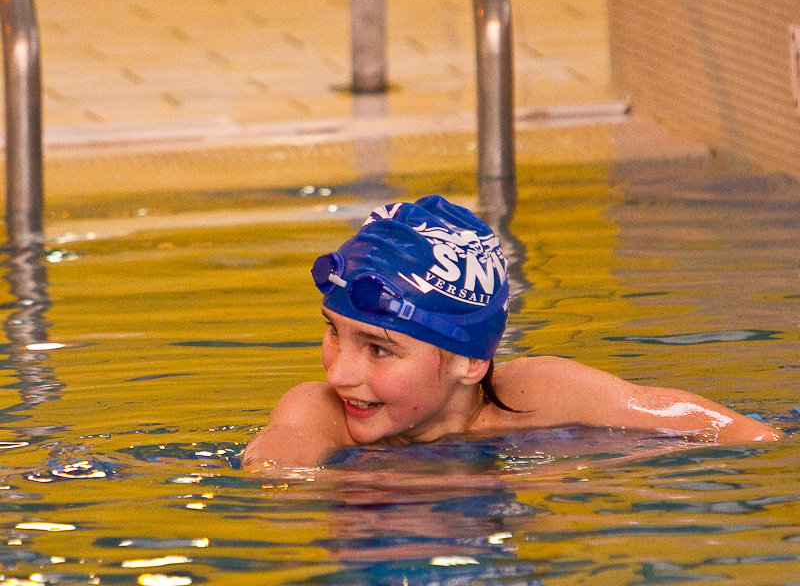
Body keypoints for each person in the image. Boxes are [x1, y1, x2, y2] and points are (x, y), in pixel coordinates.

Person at [242, 195, 784, 470]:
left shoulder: (539, 394)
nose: (339, 373)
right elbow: (277, 466)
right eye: (335, 332)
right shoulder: (319, 412)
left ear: (470, 361)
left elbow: (727, 429)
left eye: (379, 349)